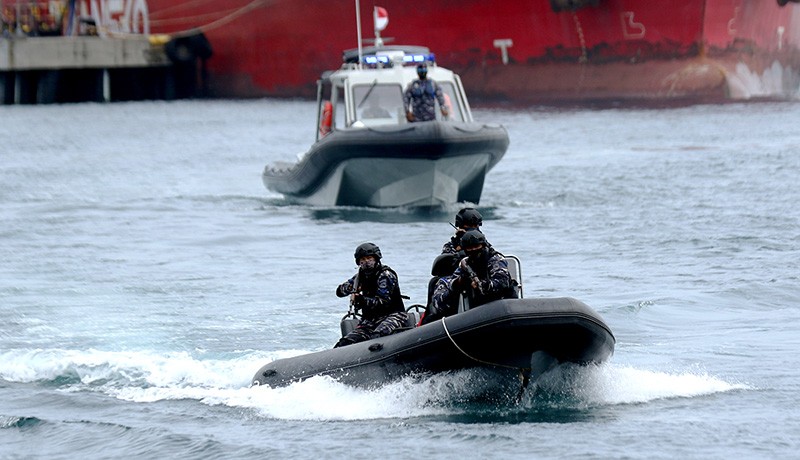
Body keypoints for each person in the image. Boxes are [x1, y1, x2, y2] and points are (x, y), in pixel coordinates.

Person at [421, 230, 515, 325]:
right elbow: (451, 285)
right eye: (470, 248)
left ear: (483, 246)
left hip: (501, 306)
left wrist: (483, 285)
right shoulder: (465, 264)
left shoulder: (495, 260)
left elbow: (502, 282)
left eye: (476, 246)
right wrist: (459, 283)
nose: (473, 250)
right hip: (477, 313)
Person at [334, 242, 408, 347]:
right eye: (362, 260)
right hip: (370, 321)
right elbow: (339, 292)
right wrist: (351, 289)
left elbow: (382, 302)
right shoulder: (360, 277)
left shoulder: (385, 275)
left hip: (393, 316)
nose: (366, 262)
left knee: (377, 337)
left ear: (376, 258)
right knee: (344, 343)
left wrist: (361, 300)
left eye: (369, 258)